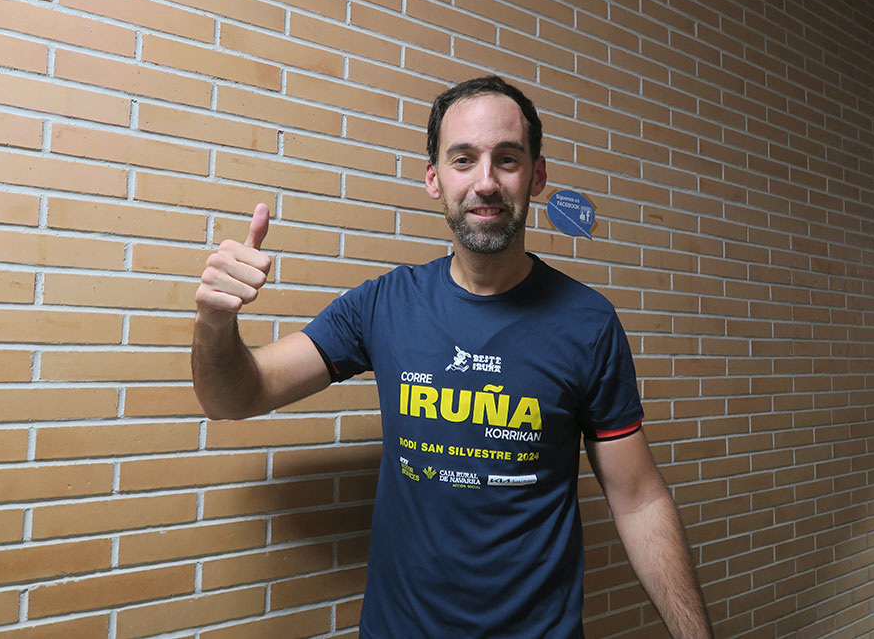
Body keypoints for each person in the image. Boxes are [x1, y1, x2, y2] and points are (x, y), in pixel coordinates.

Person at [192, 75, 714, 638]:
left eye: (507, 159)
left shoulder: (587, 324)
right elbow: (236, 397)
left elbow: (637, 499)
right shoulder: (382, 306)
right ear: (434, 178)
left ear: (537, 176)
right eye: (463, 159)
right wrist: (215, 325)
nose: (485, 182)